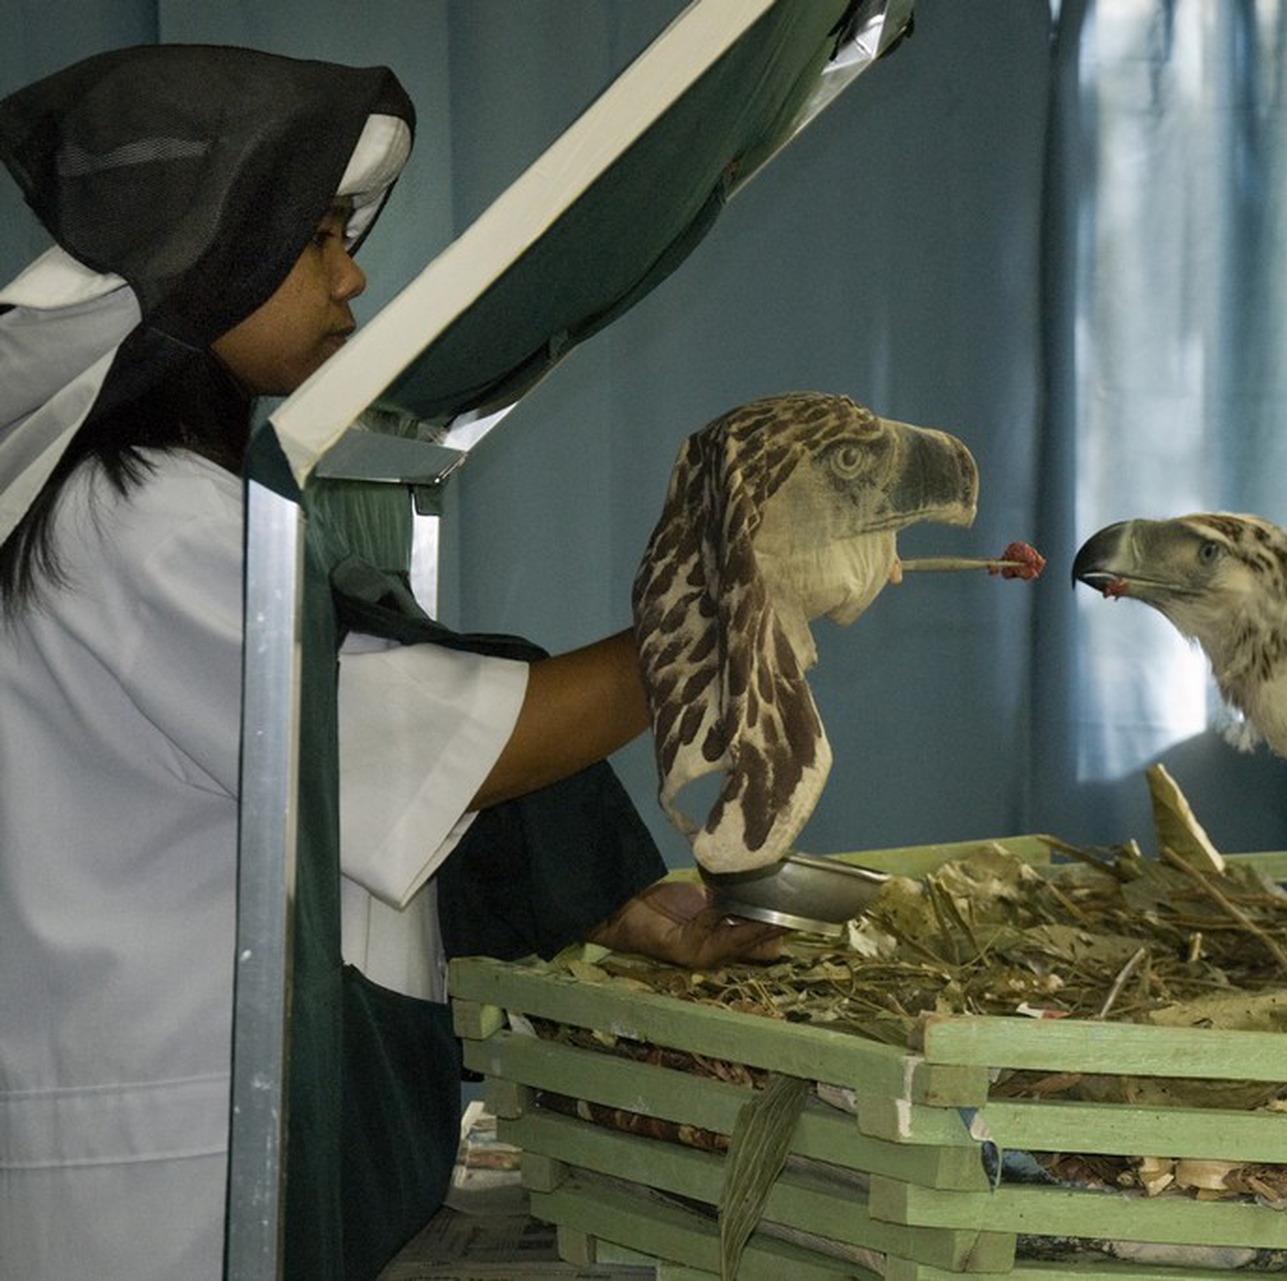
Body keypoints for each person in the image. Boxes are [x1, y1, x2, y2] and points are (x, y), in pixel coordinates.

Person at [0, 44, 781, 1280]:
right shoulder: (143, 519)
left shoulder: (168, 498)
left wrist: (619, 905)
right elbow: (425, 744)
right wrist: (728, 619)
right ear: (218, 257)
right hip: (163, 1180)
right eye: (317, 236)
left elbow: (347, 781)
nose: (352, 271)